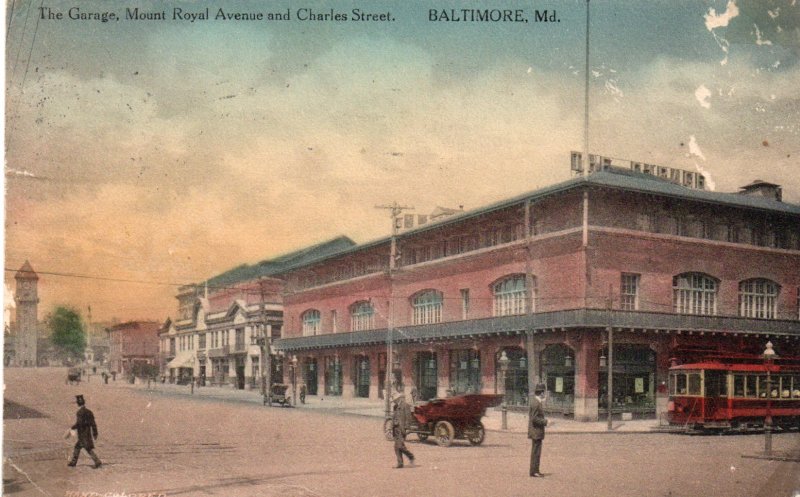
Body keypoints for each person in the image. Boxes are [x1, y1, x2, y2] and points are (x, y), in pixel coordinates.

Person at [67, 395, 102, 469]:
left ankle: (97, 461)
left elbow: (79, 423)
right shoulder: (89, 412)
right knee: (82, 447)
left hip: (82, 434)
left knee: (83, 448)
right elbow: (93, 423)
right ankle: (74, 462)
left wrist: (72, 428)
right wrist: (95, 433)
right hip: (87, 433)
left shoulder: (79, 412)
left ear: (78, 404)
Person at [528, 383, 548, 477]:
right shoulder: (536, 403)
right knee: (536, 452)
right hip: (536, 431)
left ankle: (534, 470)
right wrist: (545, 422)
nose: (545, 394)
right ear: (542, 393)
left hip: (535, 431)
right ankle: (535, 471)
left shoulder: (535, 402)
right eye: (544, 392)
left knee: (535, 451)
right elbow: (534, 419)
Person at [391, 393, 415, 469]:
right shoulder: (395, 406)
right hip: (396, 429)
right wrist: (392, 425)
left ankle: (411, 456)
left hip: (402, 429)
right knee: (396, 447)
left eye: (394, 400)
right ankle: (400, 463)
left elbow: (409, 418)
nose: (394, 402)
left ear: (398, 399)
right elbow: (394, 417)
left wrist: (407, 428)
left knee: (400, 446)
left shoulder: (405, 406)